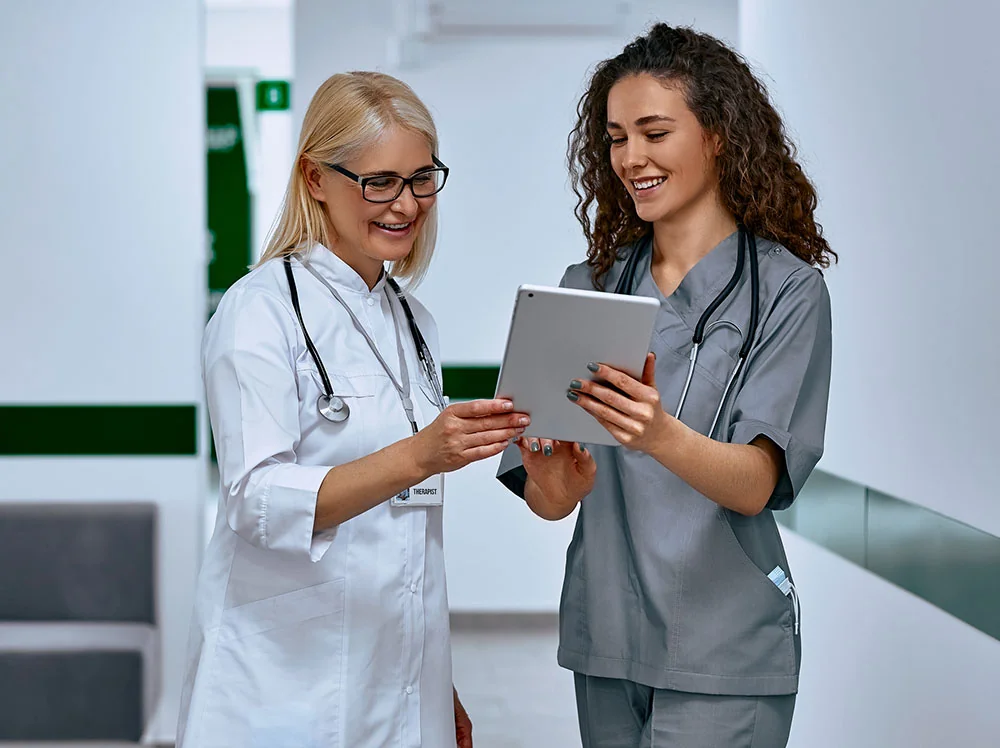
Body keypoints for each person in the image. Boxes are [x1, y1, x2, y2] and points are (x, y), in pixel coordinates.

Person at [498, 24, 836, 748]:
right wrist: (555, 479)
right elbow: (550, 501)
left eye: (654, 132)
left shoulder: (786, 292)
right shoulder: (582, 291)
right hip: (608, 640)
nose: (631, 158)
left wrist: (657, 435)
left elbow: (756, 483)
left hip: (726, 647)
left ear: (718, 135)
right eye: (617, 137)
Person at [177, 71, 528, 748]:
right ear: (315, 179)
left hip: (397, 677)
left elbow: (407, 541)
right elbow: (256, 500)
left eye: (422, 178)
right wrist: (419, 455)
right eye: (379, 182)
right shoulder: (259, 312)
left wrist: (434, 677)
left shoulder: (410, 318)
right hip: (285, 682)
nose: (406, 204)